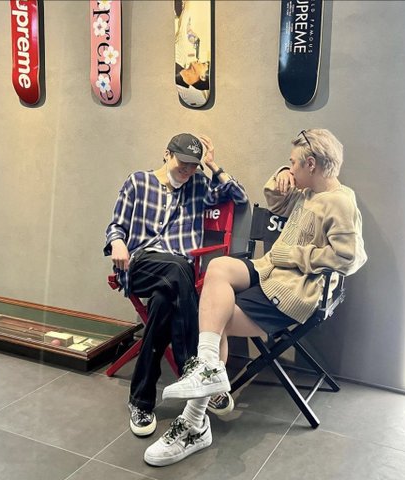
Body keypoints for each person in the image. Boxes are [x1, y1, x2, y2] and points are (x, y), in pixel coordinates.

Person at [144, 128, 368, 466]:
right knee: (219, 267)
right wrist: (282, 175)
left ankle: (193, 423)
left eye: (294, 163)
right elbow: (276, 200)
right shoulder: (308, 191)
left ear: (311, 164)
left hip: (292, 291)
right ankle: (209, 367)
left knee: (215, 319)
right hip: (269, 271)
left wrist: (296, 256)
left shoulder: (340, 202)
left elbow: (350, 258)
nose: (290, 167)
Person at [104, 133, 247, 438]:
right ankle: (194, 368)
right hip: (141, 264)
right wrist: (117, 242)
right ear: (167, 154)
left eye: (194, 165)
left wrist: (213, 165)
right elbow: (116, 225)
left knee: (163, 303)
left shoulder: (198, 184)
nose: (188, 170)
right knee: (178, 268)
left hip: (175, 277)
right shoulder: (138, 182)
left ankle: (141, 400)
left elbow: (239, 197)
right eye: (183, 162)